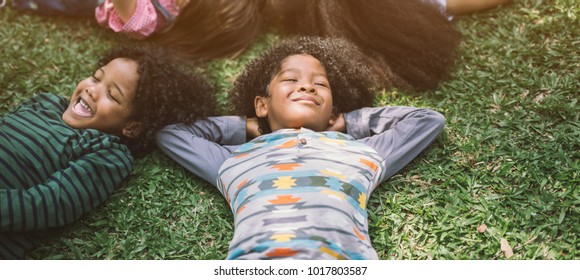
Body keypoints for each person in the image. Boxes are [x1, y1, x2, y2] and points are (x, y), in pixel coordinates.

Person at [156, 37, 446, 259]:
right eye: (291, 80)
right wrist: (248, 125)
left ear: (333, 109)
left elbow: (426, 120)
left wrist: (347, 122)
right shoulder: (234, 158)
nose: (307, 87)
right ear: (261, 103)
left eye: (320, 84)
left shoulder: (361, 152)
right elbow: (172, 134)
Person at [0, 44, 216, 259]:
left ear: (131, 127)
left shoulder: (108, 154)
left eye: (112, 95)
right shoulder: (44, 103)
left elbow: (50, 204)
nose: (92, 90)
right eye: (96, 78)